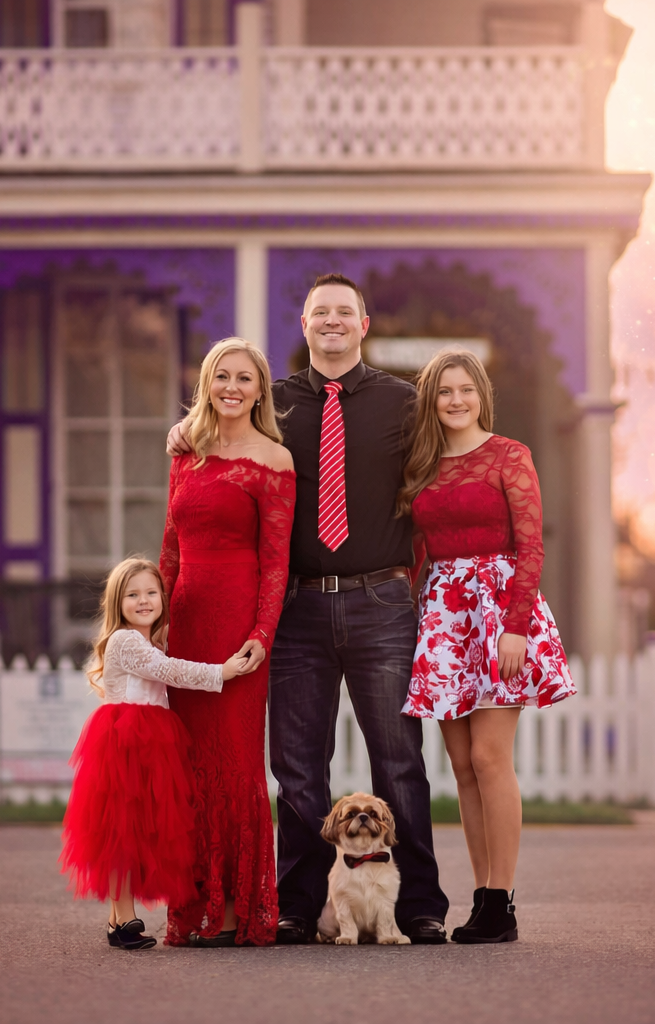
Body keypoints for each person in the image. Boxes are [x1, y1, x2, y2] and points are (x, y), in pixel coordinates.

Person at [168, 274, 450, 945]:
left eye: (343, 313)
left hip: (381, 601)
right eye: (320, 312)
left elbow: (435, 490)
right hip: (295, 607)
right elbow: (221, 438)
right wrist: (186, 430)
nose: (332, 322)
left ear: (363, 324)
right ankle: (294, 904)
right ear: (303, 324)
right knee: (297, 764)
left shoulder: (404, 404)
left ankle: (415, 907)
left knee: (399, 760)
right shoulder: (277, 407)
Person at [398, 349, 576, 944]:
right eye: (444, 391)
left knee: (491, 758)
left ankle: (503, 900)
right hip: (444, 616)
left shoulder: (508, 455)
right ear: (432, 400)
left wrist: (517, 625)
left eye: (465, 390)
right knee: (463, 768)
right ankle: (482, 899)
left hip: (499, 612)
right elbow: (417, 551)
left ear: (481, 395)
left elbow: (532, 546)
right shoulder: (419, 466)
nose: (455, 400)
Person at [160, 337, 296, 947]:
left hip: (238, 624)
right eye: (222, 376)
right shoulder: (185, 452)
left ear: (261, 389)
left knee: (237, 762)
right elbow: (169, 543)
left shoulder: (275, 461)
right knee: (189, 764)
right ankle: (193, 910)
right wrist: (153, 620)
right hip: (184, 621)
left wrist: (261, 637)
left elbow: (276, 563)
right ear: (207, 384)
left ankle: (239, 910)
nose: (232, 387)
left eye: (245, 378)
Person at [60, 557, 257, 950]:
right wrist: (223, 672)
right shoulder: (125, 641)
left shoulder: (149, 639)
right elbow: (169, 671)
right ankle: (124, 914)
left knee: (138, 830)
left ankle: (118, 920)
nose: (144, 601)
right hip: (126, 743)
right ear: (118, 602)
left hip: (152, 742)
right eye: (133, 595)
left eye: (151, 593)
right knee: (123, 830)